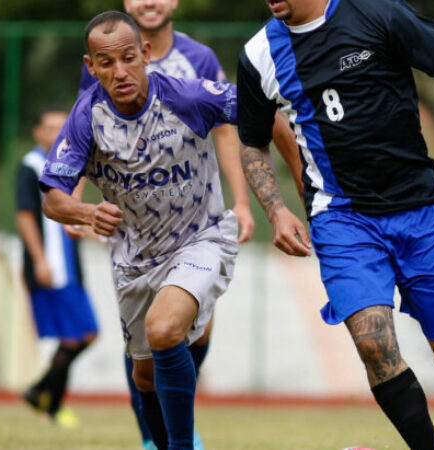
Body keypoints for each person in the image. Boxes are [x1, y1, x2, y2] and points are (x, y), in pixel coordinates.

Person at [236, 0, 434, 449]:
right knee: (374, 344)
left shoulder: (377, 14)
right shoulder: (259, 55)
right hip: (341, 217)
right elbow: (251, 142)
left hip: (419, 209)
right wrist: (276, 209)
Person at [39, 11, 272, 449]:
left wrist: (272, 206)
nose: (120, 71)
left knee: (165, 329)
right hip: (136, 254)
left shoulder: (187, 90)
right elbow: (53, 196)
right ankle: (159, 441)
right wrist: (85, 213)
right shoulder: (88, 115)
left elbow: (259, 113)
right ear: (91, 67)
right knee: (143, 372)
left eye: (128, 58)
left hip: (201, 236)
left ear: (145, 54)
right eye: (107, 63)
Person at [16, 107, 99, 428]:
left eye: (59, 127)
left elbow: (75, 215)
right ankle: (46, 398)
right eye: (49, 127)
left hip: (71, 266)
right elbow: (24, 215)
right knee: (82, 334)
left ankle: (44, 397)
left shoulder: (69, 165)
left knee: (79, 335)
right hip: (51, 267)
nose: (55, 133)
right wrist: (39, 260)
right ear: (38, 132)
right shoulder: (30, 167)